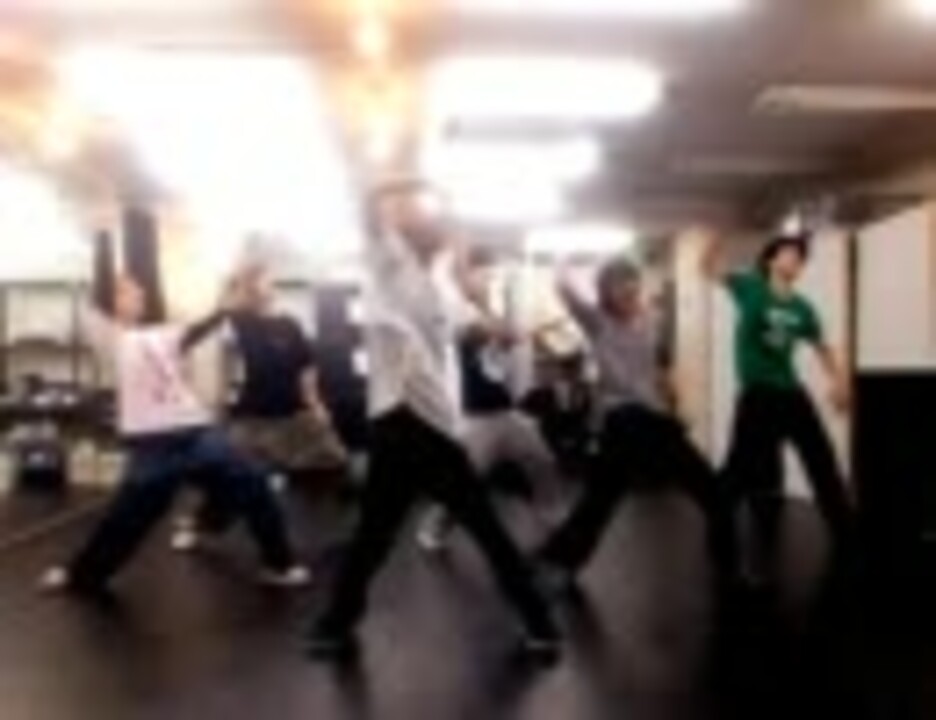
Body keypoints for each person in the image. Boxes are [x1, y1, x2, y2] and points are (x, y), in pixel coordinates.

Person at [305, 179, 559, 661]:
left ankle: (335, 624)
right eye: (423, 217)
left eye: (436, 219)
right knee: (382, 535)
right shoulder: (388, 265)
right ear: (405, 227)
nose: (433, 223)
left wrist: (490, 313)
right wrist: (402, 183)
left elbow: (491, 332)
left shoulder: (443, 287)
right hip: (396, 419)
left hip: (435, 427)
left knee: (467, 528)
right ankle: (336, 623)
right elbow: (367, 208)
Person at [39, 273, 309, 595]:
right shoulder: (107, 335)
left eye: (138, 290)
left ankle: (276, 564)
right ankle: (80, 576)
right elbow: (101, 286)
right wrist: (105, 248)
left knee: (252, 483)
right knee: (128, 517)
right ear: (110, 300)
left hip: (196, 433)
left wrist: (225, 307)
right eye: (129, 292)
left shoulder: (160, 334)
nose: (139, 295)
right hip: (153, 444)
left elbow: (196, 330)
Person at [535, 256, 739, 594]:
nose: (629, 289)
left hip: (653, 419)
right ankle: (559, 564)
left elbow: (657, 370)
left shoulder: (649, 321)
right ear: (606, 291)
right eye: (619, 284)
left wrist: (677, 405)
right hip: (622, 420)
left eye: (632, 281)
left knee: (708, 491)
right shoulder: (597, 321)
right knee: (599, 501)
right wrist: (564, 260)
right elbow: (563, 289)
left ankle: (729, 568)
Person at [701, 234, 854, 579]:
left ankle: (846, 531)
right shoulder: (750, 288)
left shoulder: (803, 308)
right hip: (757, 394)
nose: (794, 260)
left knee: (821, 460)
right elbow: (707, 269)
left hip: (791, 392)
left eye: (799, 257)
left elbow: (822, 347)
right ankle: (717, 521)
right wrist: (715, 238)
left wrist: (839, 381)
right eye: (788, 254)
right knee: (740, 469)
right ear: (770, 260)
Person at [171, 265, 348, 551]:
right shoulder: (241, 319)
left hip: (294, 415)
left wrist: (316, 403)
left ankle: (302, 508)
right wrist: (223, 305)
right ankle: (197, 525)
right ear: (252, 288)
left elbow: (306, 367)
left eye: (270, 280)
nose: (270, 285)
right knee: (231, 484)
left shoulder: (289, 324)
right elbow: (188, 338)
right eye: (263, 281)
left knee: (334, 460)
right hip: (253, 419)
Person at [415, 248, 563, 553]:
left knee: (543, 460)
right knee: (464, 484)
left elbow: (507, 339)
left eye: (488, 274)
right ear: (463, 280)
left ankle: (551, 516)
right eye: (480, 274)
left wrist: (519, 324)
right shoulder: (459, 317)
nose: (486, 279)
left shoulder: (489, 312)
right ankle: (433, 527)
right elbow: (495, 334)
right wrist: (475, 286)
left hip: (508, 414)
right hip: (479, 421)